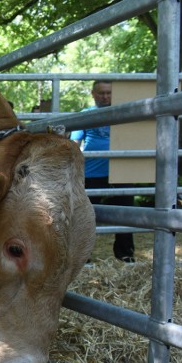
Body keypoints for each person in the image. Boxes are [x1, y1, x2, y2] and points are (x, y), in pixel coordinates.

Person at [70, 80, 135, 263]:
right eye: (101, 93)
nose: (105, 97)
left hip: (122, 171)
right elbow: (75, 144)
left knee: (127, 215)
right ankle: (83, 258)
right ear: (93, 94)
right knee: (86, 216)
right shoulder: (86, 115)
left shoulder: (125, 112)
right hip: (92, 172)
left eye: (109, 93)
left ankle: (125, 255)